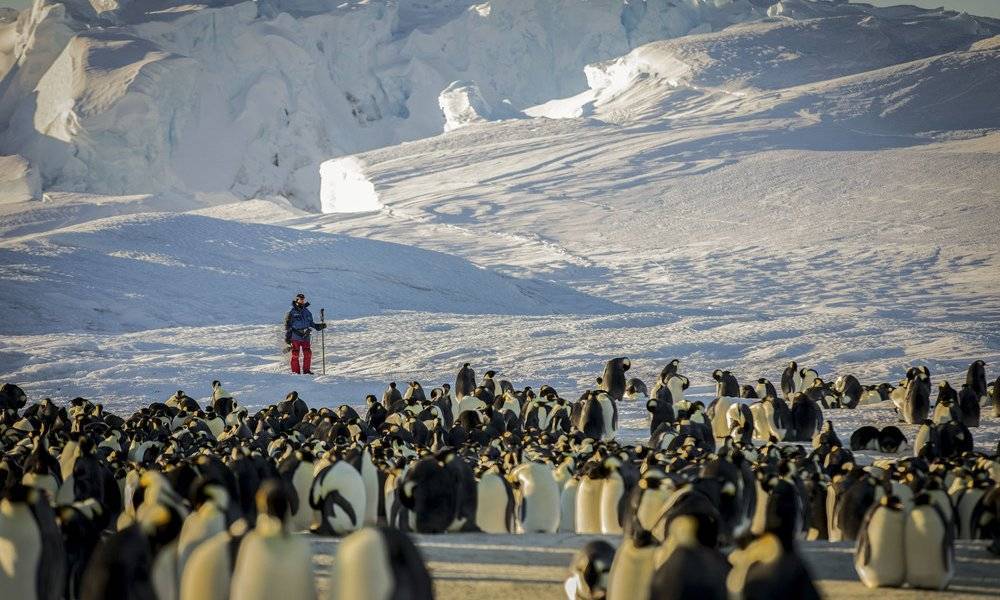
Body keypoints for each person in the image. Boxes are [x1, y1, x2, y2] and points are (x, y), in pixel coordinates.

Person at [284, 293, 326, 374]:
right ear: (297, 300)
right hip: (295, 336)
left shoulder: (307, 312)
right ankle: (296, 372)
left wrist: (318, 326)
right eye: (300, 299)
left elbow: (311, 323)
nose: (302, 301)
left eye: (303, 299)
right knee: (295, 354)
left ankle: (307, 371)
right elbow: (287, 326)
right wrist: (287, 338)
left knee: (307, 353)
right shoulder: (291, 312)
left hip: (306, 336)